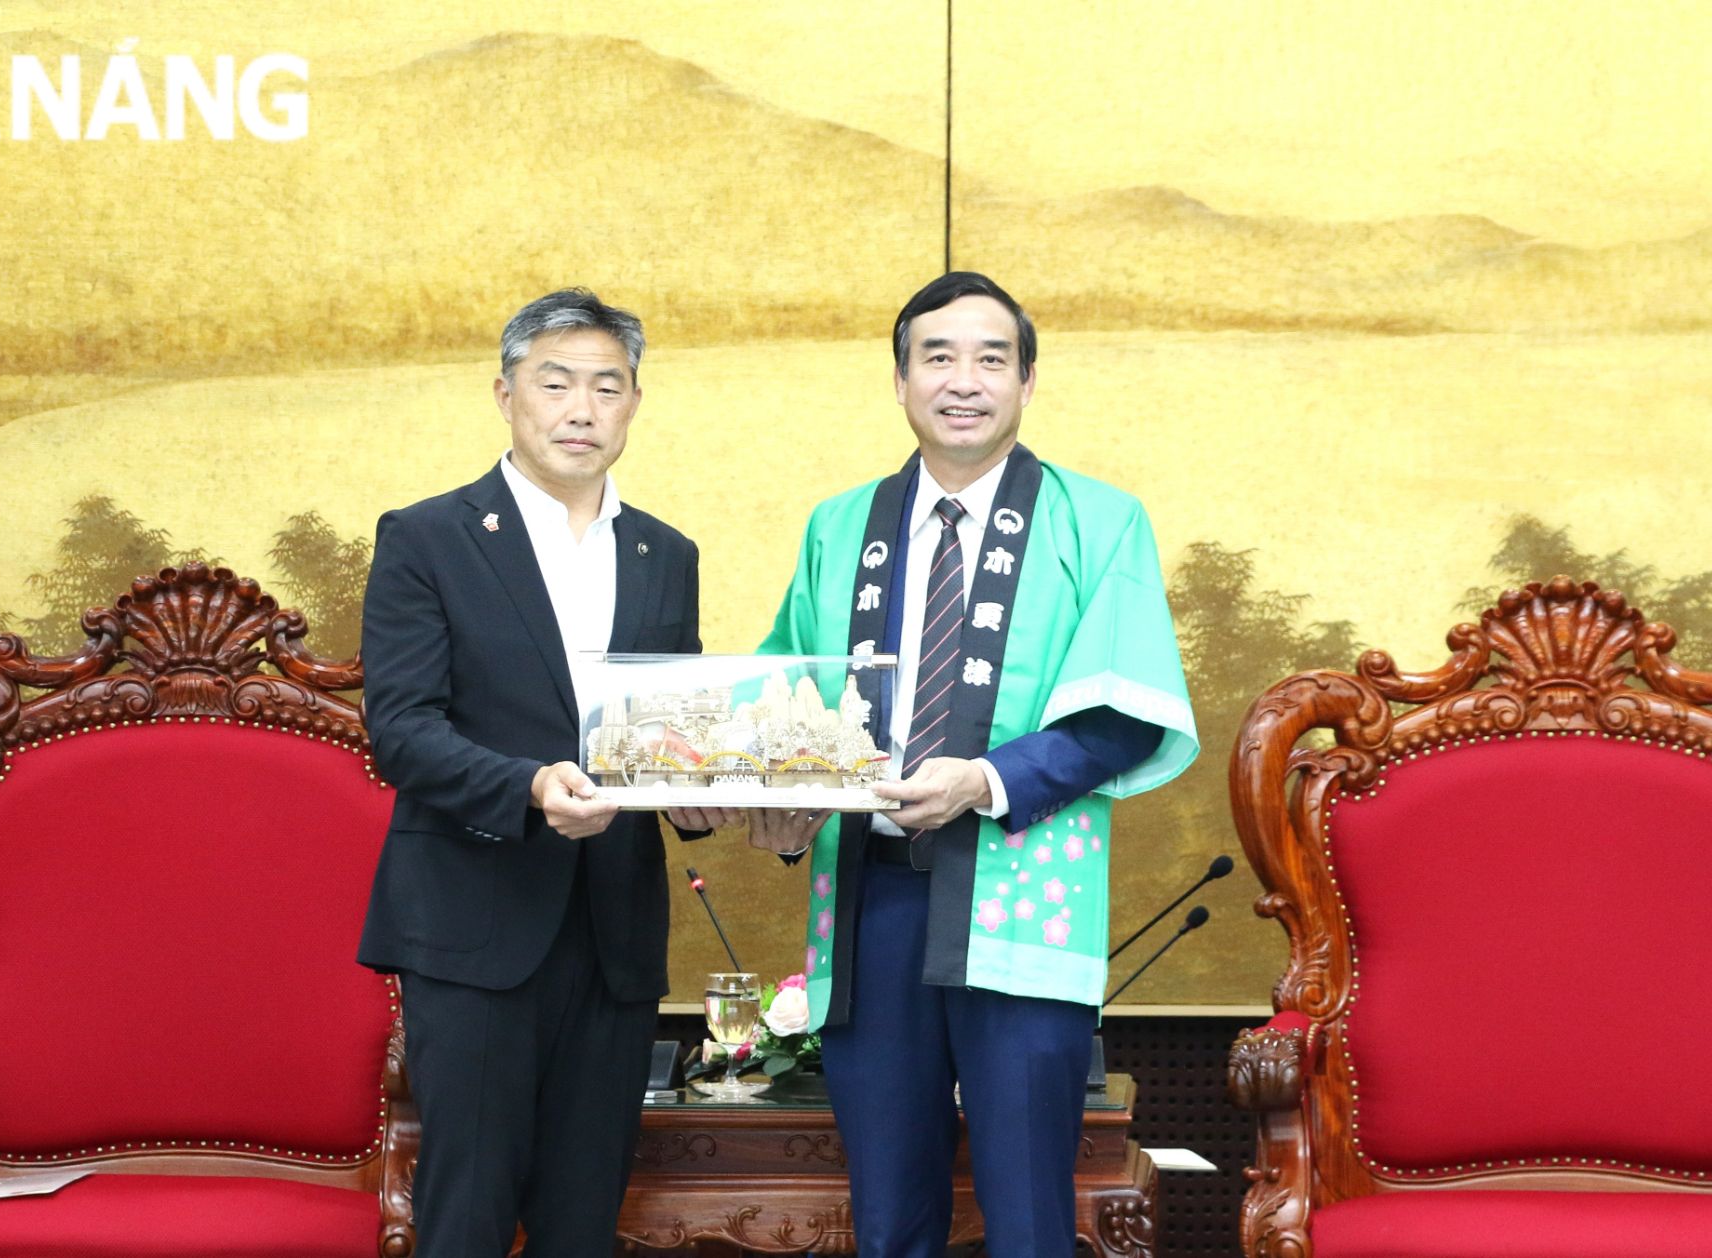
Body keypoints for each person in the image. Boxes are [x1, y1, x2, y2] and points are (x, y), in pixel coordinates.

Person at [751, 273, 1199, 1257]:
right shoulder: (839, 526)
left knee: (1029, 1219)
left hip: (1016, 905)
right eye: (936, 357)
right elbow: (783, 700)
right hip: (870, 911)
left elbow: (1124, 714)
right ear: (900, 382)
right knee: (888, 1220)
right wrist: (773, 798)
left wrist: (979, 782)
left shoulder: (1100, 520)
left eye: (990, 358)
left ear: (1027, 382)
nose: (963, 380)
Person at [357, 289, 731, 1257]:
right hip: (473, 920)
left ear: (633, 404)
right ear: (504, 393)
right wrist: (527, 786)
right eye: (555, 382)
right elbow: (399, 728)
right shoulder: (427, 536)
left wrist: (710, 799)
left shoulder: (665, 554)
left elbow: (667, 732)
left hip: (611, 932)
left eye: (605, 387)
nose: (580, 408)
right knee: (468, 1212)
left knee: (583, 1214)